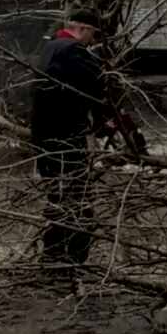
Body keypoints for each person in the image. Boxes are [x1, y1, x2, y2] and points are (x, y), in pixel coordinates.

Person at [30, 19, 111, 277]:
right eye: (92, 34)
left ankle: (53, 258)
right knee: (77, 196)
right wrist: (104, 118)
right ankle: (70, 259)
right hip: (66, 133)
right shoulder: (73, 51)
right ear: (82, 28)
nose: (92, 41)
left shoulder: (49, 48)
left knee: (56, 194)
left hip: (43, 134)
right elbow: (99, 84)